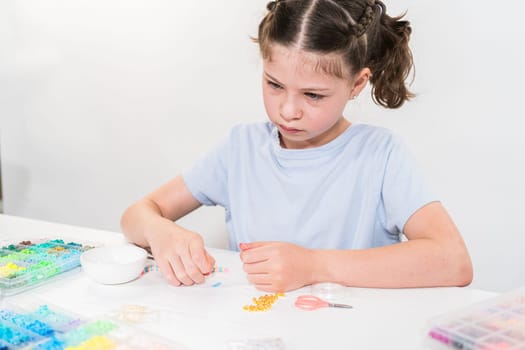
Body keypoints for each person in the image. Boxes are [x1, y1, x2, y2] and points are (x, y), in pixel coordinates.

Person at [121, 0, 473, 292]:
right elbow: (137, 213)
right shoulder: (240, 149)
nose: (288, 110)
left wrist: (314, 265)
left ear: (357, 83)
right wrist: (160, 231)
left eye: (313, 95)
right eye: (274, 85)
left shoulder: (379, 154)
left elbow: (453, 261)